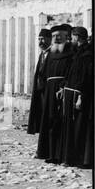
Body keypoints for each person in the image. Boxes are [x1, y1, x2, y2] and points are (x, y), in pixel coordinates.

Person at [35, 24, 76, 164]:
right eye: (54, 36)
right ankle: (50, 153)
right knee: (50, 121)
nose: (56, 39)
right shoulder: (50, 53)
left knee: (62, 123)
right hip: (49, 91)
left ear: (66, 37)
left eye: (59, 36)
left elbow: (72, 72)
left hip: (63, 91)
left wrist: (64, 87)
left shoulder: (72, 53)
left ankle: (61, 155)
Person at [59, 26, 93, 169]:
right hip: (69, 94)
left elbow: (86, 78)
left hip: (78, 96)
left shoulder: (88, 55)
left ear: (77, 37)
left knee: (78, 128)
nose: (71, 39)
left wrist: (81, 97)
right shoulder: (76, 53)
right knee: (69, 127)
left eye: (73, 37)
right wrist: (62, 86)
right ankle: (68, 158)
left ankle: (77, 159)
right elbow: (70, 73)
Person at [26, 28, 53, 135]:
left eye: (43, 39)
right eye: (39, 39)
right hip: (40, 91)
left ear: (50, 39)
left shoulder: (52, 54)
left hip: (48, 91)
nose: (40, 42)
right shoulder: (42, 54)